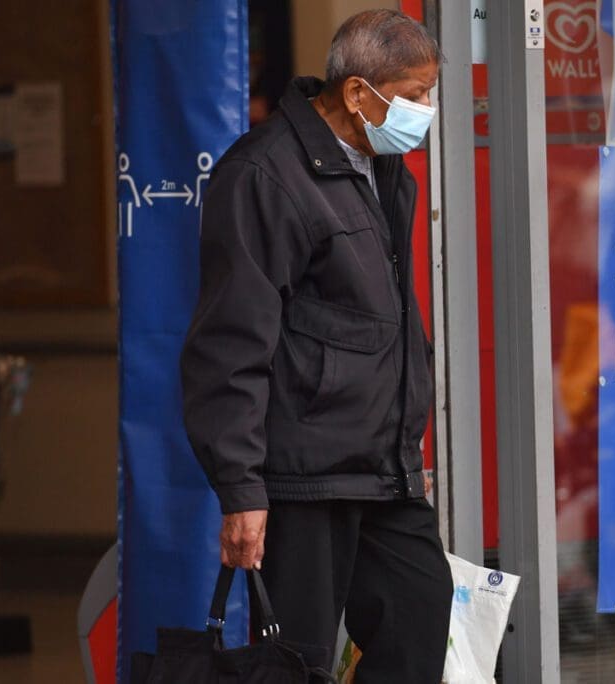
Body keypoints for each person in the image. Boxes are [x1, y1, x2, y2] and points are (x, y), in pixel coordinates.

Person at [180, 10, 452, 682]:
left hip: (382, 469)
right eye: (414, 95)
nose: (427, 111)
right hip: (303, 476)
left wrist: (409, 443)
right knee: (295, 658)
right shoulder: (265, 176)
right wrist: (242, 488)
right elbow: (230, 340)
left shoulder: (389, 172)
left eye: (430, 93)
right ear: (359, 94)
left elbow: (384, 317)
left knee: (421, 612)